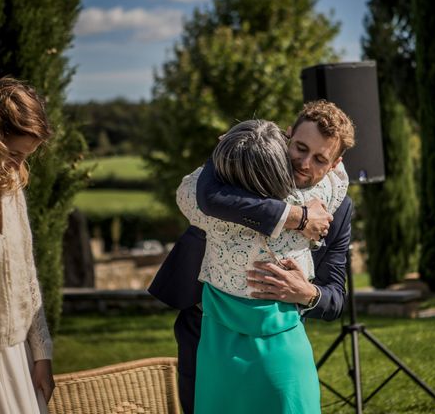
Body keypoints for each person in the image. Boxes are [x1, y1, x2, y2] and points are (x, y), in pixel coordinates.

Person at [149, 100, 355, 413]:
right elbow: (207, 196)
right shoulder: (240, 169)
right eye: (300, 148)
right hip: (202, 325)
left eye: (319, 159)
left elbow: (336, 297)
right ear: (286, 137)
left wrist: (306, 293)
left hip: (278, 333)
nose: (304, 163)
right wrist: (297, 217)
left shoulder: (338, 210)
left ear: (335, 164)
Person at [0, 78, 55, 414]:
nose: (18, 166)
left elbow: (27, 276)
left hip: (18, 360)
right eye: (13, 153)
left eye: (27, 156)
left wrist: (42, 354)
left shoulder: (11, 188)